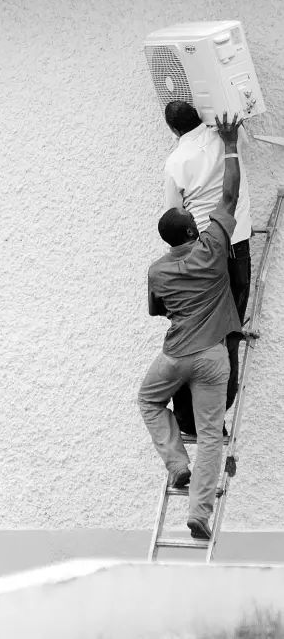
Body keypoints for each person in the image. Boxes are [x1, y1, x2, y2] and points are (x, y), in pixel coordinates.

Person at [138, 112, 243, 540]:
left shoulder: (157, 271)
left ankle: (177, 465)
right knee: (211, 433)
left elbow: (157, 311)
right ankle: (199, 513)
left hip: (176, 356)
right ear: (193, 228)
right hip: (214, 357)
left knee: (148, 401)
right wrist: (230, 145)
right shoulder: (213, 247)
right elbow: (230, 196)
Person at [163, 101, 251, 436]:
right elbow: (230, 193)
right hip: (235, 246)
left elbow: (172, 215)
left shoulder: (176, 161)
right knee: (229, 333)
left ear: (174, 130)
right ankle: (215, 419)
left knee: (195, 336)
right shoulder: (223, 138)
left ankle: (188, 419)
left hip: (203, 252)